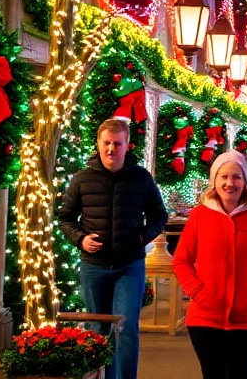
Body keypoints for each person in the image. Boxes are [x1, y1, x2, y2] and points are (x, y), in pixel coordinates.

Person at [59, 119, 168, 379]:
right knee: (97, 328)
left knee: (126, 327)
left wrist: (143, 237)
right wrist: (80, 239)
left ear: (127, 145)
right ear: (98, 144)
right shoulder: (82, 179)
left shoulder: (141, 178)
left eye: (117, 144)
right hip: (94, 267)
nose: (111, 149)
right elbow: (65, 218)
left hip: (129, 266)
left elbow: (159, 216)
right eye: (106, 143)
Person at [172, 151, 247, 379]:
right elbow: (182, 261)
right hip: (205, 316)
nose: (230, 183)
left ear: (245, 181)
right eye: (224, 177)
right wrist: (198, 293)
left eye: (236, 177)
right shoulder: (199, 216)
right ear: (214, 181)